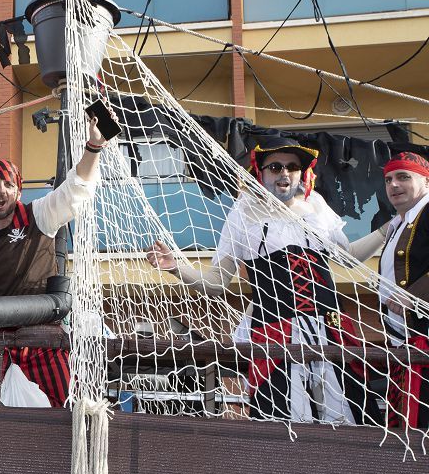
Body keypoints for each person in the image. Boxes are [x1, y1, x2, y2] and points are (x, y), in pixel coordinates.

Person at [147, 137, 386, 424]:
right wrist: (176, 267)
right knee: (283, 415)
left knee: (348, 410)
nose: (284, 173)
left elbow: (348, 257)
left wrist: (388, 229)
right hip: (274, 329)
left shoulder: (317, 205)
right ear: (261, 172)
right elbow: (217, 280)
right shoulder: (244, 211)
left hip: (329, 327)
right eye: (275, 167)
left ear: (302, 172)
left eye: (292, 167)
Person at [0, 115, 107, 407]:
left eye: (7, 183)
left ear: (18, 190)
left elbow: (74, 191)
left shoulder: (38, 215)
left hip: (44, 338)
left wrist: (93, 146)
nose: (0, 190)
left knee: (67, 413)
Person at [378, 151, 429, 429]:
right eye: (388, 179)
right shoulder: (399, 223)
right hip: (404, 344)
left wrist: (415, 295)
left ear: (426, 182)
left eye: (403, 177)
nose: (393, 185)